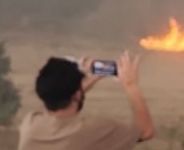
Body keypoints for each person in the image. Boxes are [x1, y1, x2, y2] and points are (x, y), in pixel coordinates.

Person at [18, 50, 155, 150]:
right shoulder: (93, 130)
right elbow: (145, 131)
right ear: (77, 95)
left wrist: (78, 88)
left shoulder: (30, 124)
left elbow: (55, 98)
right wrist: (131, 85)